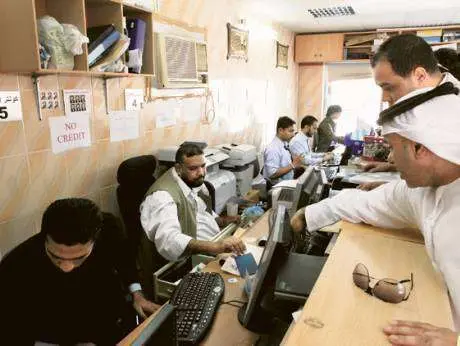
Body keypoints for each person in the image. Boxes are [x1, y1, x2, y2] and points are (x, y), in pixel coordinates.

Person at [291, 34, 460, 346]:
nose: (391, 161)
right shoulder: (424, 189)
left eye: (394, 150)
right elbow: (375, 202)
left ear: (422, 147)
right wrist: (312, 213)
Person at [0, 198, 158, 345]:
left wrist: (138, 295)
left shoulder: (109, 228)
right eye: (56, 257)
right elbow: (12, 333)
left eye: (78, 258)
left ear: (95, 239)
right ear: (44, 237)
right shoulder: (14, 268)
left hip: (107, 319)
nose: (66, 267)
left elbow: (124, 260)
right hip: (54, 333)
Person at [140, 143, 245, 263]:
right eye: (193, 168)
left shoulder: (190, 182)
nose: (201, 173)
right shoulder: (162, 197)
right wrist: (215, 247)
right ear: (179, 168)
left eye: (203, 166)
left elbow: (200, 212)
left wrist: (223, 221)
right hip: (187, 262)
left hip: (216, 246)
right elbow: (169, 240)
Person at [263, 116, 302, 187]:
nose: (293, 134)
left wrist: (296, 164)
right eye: (290, 131)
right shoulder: (273, 149)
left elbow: (285, 164)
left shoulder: (284, 143)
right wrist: (293, 165)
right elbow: (272, 174)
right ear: (280, 130)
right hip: (277, 188)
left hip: (286, 183)